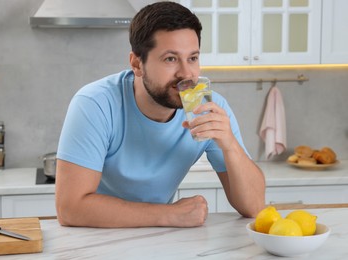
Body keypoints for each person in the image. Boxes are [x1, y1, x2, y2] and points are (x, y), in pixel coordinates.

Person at [55, 2, 265, 228]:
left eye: (192, 58)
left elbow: (254, 208)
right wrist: (170, 215)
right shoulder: (95, 104)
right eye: (170, 59)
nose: (186, 73)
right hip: (93, 237)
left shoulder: (209, 107)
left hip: (159, 240)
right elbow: (70, 209)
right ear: (137, 64)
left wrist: (230, 144)